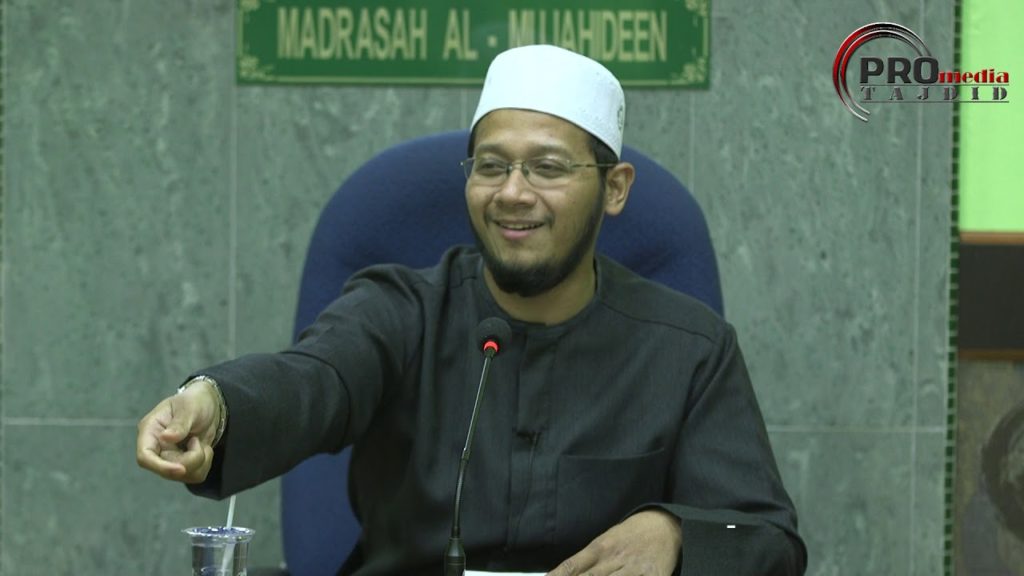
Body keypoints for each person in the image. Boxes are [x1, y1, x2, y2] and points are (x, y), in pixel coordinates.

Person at [137, 45, 807, 575]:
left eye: (547, 168)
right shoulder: (401, 310)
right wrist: (216, 402)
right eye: (491, 166)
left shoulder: (689, 348)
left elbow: (766, 535)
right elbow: (313, 378)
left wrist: (675, 533)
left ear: (615, 189)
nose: (512, 192)